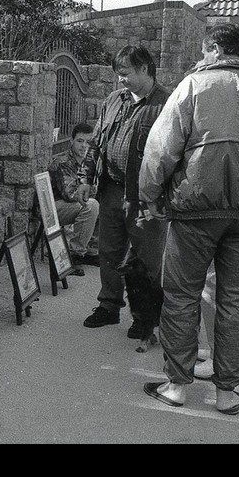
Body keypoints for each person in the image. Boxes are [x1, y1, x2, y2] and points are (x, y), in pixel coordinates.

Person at [139, 23, 239, 415]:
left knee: (181, 296)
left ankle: (177, 386)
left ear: (214, 49)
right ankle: (226, 393)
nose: (202, 58)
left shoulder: (193, 88)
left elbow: (161, 149)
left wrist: (149, 198)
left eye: (204, 51)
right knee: (237, 300)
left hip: (196, 210)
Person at [78, 46, 170, 336]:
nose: (121, 80)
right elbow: (96, 142)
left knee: (147, 259)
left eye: (125, 73)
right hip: (112, 190)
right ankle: (109, 306)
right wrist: (85, 178)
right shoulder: (113, 101)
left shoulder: (167, 104)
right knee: (109, 252)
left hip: (147, 197)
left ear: (144, 69)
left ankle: (145, 317)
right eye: (118, 74)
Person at [48, 123, 100, 277]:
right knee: (92, 205)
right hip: (54, 208)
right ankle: (73, 254)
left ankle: (90, 250)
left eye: (88, 142)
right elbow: (71, 194)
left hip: (70, 205)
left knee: (105, 200)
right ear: (71, 141)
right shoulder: (63, 162)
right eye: (80, 141)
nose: (84, 146)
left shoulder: (90, 162)